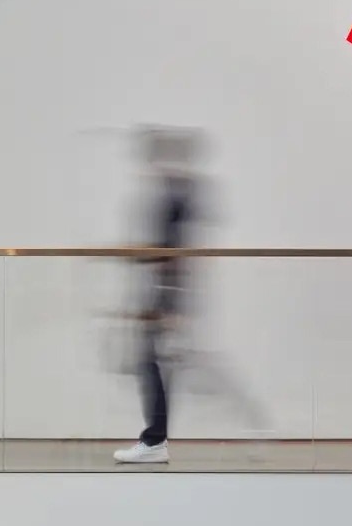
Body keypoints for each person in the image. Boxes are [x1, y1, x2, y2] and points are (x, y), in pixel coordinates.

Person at [114, 126, 200, 464]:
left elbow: (174, 252)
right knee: (153, 362)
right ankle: (155, 438)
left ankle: (155, 440)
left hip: (165, 293)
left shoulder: (177, 194)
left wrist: (172, 301)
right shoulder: (176, 192)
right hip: (163, 291)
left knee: (149, 361)